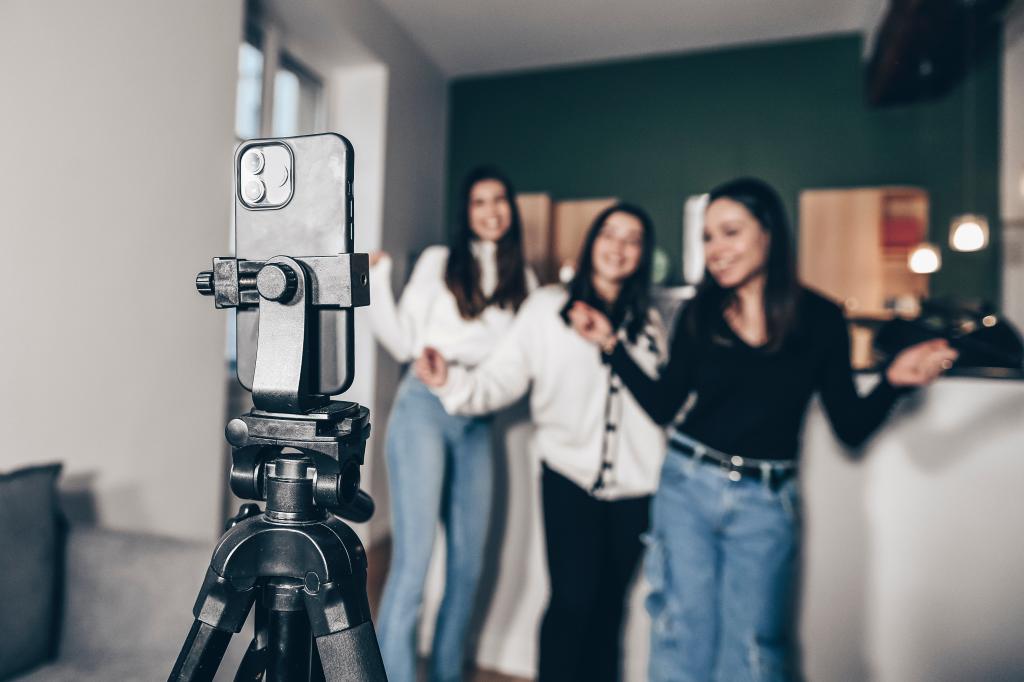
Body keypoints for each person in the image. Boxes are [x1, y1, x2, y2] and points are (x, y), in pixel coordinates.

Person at [568, 178, 958, 682]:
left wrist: (891, 384)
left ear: (769, 233)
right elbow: (665, 406)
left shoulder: (819, 318)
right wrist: (611, 345)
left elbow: (851, 429)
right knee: (681, 634)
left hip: (765, 503)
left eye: (729, 232)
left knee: (754, 649)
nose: (716, 250)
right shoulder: (699, 313)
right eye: (708, 238)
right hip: (686, 487)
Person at [416, 203, 667, 682]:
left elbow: (662, 404)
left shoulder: (649, 324)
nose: (618, 247)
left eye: (632, 239)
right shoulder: (547, 308)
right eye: (609, 234)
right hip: (568, 480)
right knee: (571, 603)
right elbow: (500, 380)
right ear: (592, 241)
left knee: (610, 608)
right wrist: (452, 382)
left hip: (636, 492)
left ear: (642, 253)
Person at [369, 166, 536, 682]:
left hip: (478, 418)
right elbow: (401, 343)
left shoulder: (523, 282)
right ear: (467, 213)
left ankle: (445, 674)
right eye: (480, 202)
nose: (492, 211)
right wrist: (376, 280)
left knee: (467, 569)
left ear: (511, 209)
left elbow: (514, 367)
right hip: (423, 405)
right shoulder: (440, 262)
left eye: (500, 200)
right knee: (413, 566)